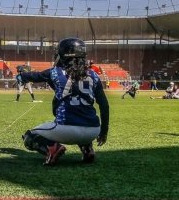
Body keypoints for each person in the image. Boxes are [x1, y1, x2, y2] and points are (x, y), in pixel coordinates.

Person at [19, 38, 110, 166]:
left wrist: (20, 75)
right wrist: (104, 131)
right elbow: (104, 105)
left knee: (29, 136)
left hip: (66, 129)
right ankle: (87, 148)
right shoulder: (94, 75)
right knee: (82, 118)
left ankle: (52, 149)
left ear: (63, 55)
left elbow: (32, 76)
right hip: (93, 131)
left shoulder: (55, 72)